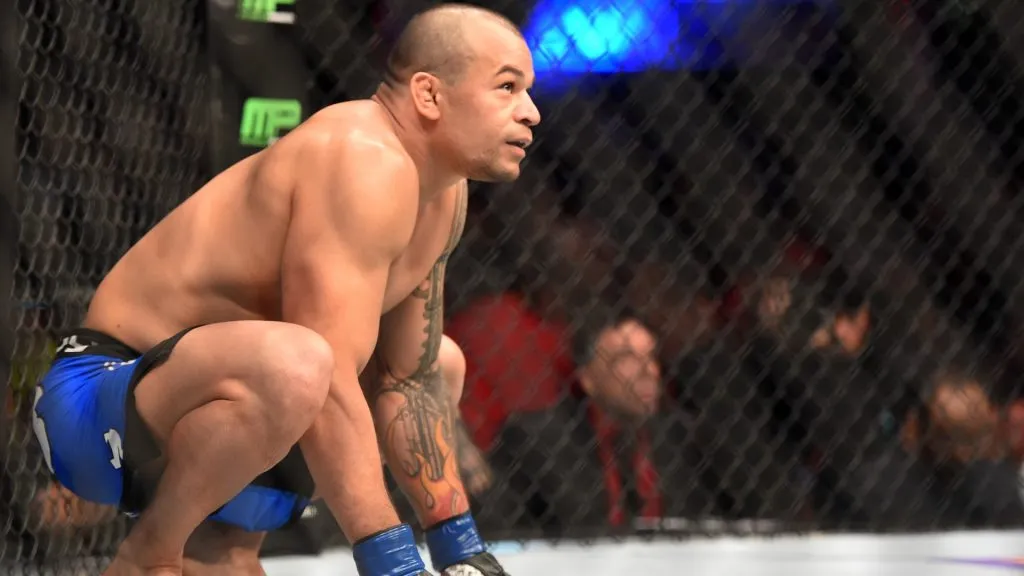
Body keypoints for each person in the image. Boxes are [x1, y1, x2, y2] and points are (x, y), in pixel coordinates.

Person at [29, 3, 540, 575]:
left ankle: (224, 546)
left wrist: (461, 552)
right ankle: (151, 551)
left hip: (225, 419)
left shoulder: (443, 195)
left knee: (438, 363)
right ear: (428, 94)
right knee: (302, 362)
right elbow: (324, 379)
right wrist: (393, 563)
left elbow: (410, 378)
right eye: (507, 87)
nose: (532, 112)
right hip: (101, 403)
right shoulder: (362, 158)